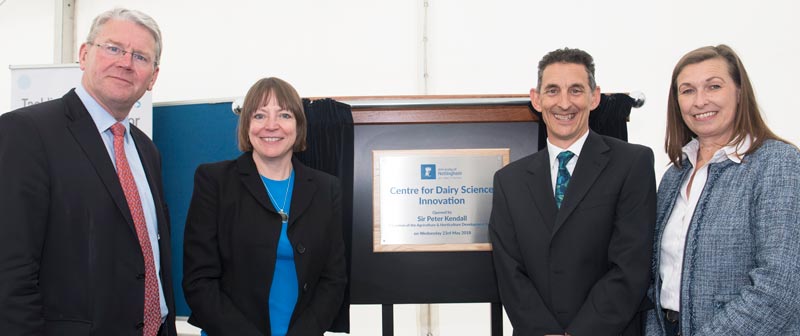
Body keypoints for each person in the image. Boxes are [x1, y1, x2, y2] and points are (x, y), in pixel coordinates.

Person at [0, 8, 176, 336]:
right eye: (113, 48)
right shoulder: (26, 132)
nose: (125, 62)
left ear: (153, 76)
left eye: (140, 56)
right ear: (84, 55)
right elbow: (10, 271)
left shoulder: (147, 150)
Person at [489, 47, 656, 336]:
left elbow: (631, 265)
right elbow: (510, 272)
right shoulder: (509, 180)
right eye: (552, 91)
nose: (564, 103)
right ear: (536, 99)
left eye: (576, 90)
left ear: (595, 97)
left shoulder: (632, 164)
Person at [645, 45, 800, 335]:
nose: (700, 101)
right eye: (687, 90)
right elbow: (655, 281)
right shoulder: (674, 176)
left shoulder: (777, 164)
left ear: (740, 92)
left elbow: (780, 287)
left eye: (713, 87)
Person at [182, 77, 347, 336]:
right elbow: (199, 281)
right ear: (246, 125)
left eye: (284, 115)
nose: (271, 126)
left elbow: (333, 279)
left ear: (299, 125)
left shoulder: (327, 189)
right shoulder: (215, 181)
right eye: (259, 116)